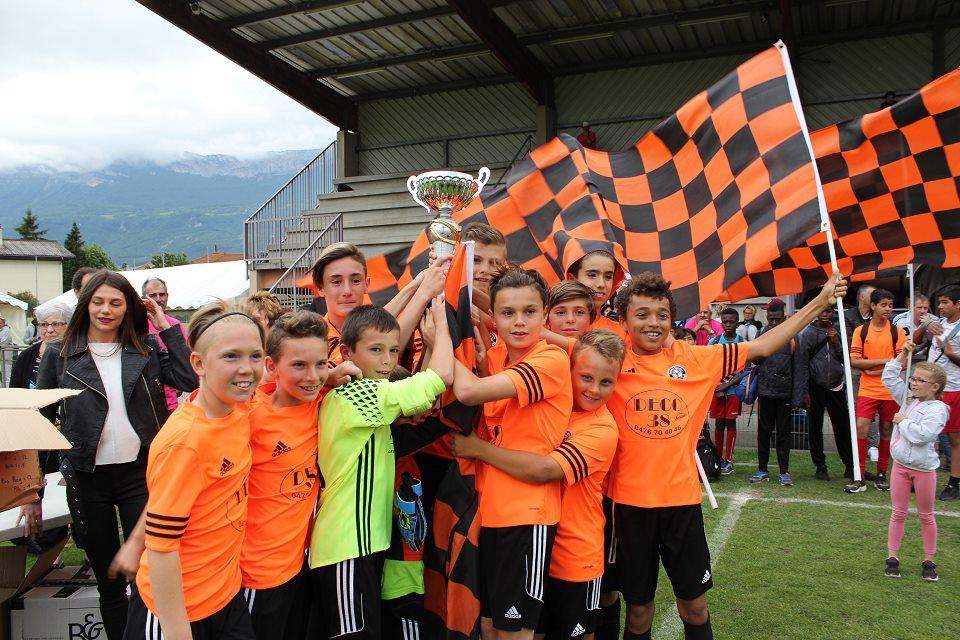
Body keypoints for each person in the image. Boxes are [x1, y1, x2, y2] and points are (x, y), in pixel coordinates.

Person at [604, 270, 845, 640]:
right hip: (628, 508)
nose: (653, 323)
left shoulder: (699, 358)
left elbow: (764, 347)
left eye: (662, 315)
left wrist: (820, 301)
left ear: (672, 320)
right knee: (638, 613)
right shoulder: (610, 360)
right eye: (642, 314)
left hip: (681, 505)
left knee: (695, 607)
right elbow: (553, 337)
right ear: (623, 321)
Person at [36, 271, 197, 640]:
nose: (106, 310)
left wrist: (163, 326)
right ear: (85, 304)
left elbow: (190, 378)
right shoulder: (61, 354)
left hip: (139, 473)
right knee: (109, 577)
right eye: (98, 302)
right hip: (87, 476)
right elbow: (40, 423)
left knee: (147, 573)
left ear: (129, 308)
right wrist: (34, 491)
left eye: (116, 302)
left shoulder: (144, 347)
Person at [451, 329, 623, 640]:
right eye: (585, 378)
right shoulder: (552, 405)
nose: (594, 389)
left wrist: (476, 449)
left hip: (574, 559)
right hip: (533, 545)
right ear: (568, 372)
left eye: (606, 382)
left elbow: (545, 470)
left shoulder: (602, 429)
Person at [309, 302, 453, 640]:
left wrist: (430, 342)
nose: (388, 361)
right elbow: (441, 378)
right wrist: (441, 329)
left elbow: (424, 399)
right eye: (376, 350)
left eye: (393, 349)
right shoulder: (356, 393)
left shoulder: (371, 397)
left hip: (363, 547)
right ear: (345, 352)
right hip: (346, 550)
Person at [122, 302, 265, 640]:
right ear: (198, 363)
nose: (247, 369)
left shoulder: (238, 409)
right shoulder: (186, 442)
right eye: (231, 357)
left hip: (226, 597)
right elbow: (161, 549)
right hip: (175, 612)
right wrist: (177, 632)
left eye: (255, 356)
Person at [451, 268, 573, 640]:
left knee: (515, 633)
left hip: (528, 517)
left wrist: (441, 336)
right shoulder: (502, 355)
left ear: (545, 313)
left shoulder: (549, 360)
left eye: (529, 312)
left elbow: (469, 392)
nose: (518, 322)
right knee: (489, 627)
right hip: (492, 513)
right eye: (507, 313)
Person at [241, 311, 359, 639]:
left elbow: (375, 334)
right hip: (255, 576)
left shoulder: (318, 400)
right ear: (271, 365)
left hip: (300, 567)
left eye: (320, 364)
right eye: (298, 365)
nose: (311, 376)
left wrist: (424, 287)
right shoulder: (249, 416)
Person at [880, 343, 947, 582]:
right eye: (914, 379)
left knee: (926, 515)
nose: (914, 383)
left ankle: (929, 560)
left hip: (924, 470)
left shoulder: (938, 410)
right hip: (900, 467)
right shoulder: (909, 399)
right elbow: (888, 376)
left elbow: (922, 436)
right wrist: (904, 353)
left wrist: (903, 421)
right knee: (898, 513)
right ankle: (892, 557)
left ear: (935, 387)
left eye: (920, 381)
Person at [11, 300, 73, 551]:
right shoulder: (27, 357)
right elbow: (16, 392)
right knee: (39, 480)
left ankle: (62, 538)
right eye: (44, 324)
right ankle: (41, 541)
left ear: (69, 325)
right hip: (36, 430)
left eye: (56, 324)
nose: (49, 329)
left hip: (66, 434)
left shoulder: (74, 354)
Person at [846, 289, 906, 493]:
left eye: (890, 305)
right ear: (873, 306)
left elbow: (902, 363)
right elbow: (854, 361)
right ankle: (859, 475)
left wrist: (872, 368)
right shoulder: (861, 331)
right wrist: (885, 363)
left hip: (891, 390)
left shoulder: (897, 332)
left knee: (888, 429)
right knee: (861, 428)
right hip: (868, 390)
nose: (888, 309)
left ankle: (881, 474)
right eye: (884, 305)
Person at [749, 299, 806, 486]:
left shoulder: (793, 337)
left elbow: (799, 369)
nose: (773, 321)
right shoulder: (761, 333)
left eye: (776, 318)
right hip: (765, 391)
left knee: (783, 434)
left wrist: (797, 397)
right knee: (763, 432)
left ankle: (784, 471)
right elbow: (755, 361)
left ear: (784, 316)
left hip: (785, 394)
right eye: (770, 318)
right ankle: (762, 469)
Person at [797, 308, 854, 480]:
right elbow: (802, 363)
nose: (825, 314)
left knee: (843, 425)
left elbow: (847, 358)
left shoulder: (839, 330)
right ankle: (820, 466)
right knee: (815, 427)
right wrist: (804, 391)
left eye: (828, 311)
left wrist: (836, 341)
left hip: (836, 384)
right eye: (822, 311)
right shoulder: (807, 333)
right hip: (815, 385)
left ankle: (850, 465)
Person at [917, 285, 960, 500]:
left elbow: (949, 354)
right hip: (932, 390)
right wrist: (927, 326)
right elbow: (919, 333)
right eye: (939, 303)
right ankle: (922, 476)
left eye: (945, 302)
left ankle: (954, 483)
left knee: (955, 439)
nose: (940, 307)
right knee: (926, 434)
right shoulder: (938, 324)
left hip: (954, 388)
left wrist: (950, 353)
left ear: (958, 304)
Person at [142, 277, 189, 411]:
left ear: (167, 296)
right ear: (144, 298)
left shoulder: (175, 324)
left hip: (171, 401)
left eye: (162, 294)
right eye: (153, 295)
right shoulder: (136, 324)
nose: (158, 299)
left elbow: (185, 358)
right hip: (146, 401)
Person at [708, 308, 745, 475]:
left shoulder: (743, 343)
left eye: (732, 322)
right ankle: (718, 457)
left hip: (733, 391)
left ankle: (728, 460)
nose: (728, 325)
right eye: (725, 322)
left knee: (730, 422)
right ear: (721, 323)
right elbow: (708, 366)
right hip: (717, 390)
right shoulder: (714, 342)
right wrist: (718, 387)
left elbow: (744, 370)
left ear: (737, 323)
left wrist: (726, 386)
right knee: (719, 423)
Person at [564, 248, 628, 338]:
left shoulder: (621, 334)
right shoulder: (550, 328)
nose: (601, 284)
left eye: (608, 276)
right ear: (572, 279)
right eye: (592, 275)